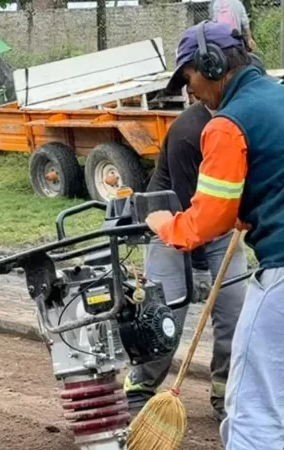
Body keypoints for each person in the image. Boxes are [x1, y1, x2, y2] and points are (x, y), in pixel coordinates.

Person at [145, 21, 284, 449]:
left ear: (213, 64)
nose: (192, 92)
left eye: (190, 79)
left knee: (251, 411)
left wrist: (163, 225)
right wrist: (254, 207)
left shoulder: (226, 124)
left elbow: (207, 221)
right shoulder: (278, 98)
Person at [122, 99, 248, 421]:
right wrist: (199, 267)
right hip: (169, 227)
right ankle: (140, 388)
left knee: (236, 317)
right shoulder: (187, 133)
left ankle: (225, 394)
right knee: (164, 322)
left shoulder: (245, 123)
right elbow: (189, 211)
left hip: (221, 232)